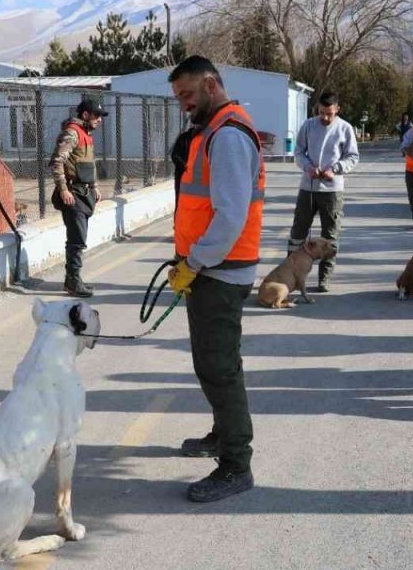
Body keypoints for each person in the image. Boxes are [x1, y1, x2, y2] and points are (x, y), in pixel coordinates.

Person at [164, 56, 264, 503]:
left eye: (187, 94)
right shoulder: (214, 132)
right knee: (216, 362)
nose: (184, 104)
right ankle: (222, 437)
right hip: (211, 269)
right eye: (178, 97)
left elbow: (229, 216)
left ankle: (236, 465)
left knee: (219, 368)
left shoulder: (227, 136)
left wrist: (195, 262)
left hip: (219, 271)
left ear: (210, 84)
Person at [289, 90, 359, 291]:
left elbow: (352, 157)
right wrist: (308, 167)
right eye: (322, 113)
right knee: (298, 232)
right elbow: (299, 152)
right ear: (317, 109)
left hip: (332, 190)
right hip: (308, 187)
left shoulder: (345, 128)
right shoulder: (308, 126)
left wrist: (335, 169)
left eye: (330, 113)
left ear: (338, 109)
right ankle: (290, 272)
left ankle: (324, 278)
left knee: (330, 235)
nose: (325, 117)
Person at [50, 98, 108, 297]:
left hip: (84, 193)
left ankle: (73, 279)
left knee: (79, 238)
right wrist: (63, 190)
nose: (99, 120)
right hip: (73, 194)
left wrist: (95, 186)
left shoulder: (85, 134)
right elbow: (57, 162)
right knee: (77, 239)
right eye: (97, 116)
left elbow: (88, 164)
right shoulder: (72, 133)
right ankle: (73, 281)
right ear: (85, 115)